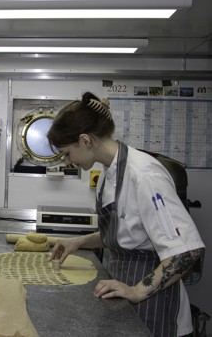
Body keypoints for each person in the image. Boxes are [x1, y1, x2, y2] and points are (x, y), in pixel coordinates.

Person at [48, 92, 205, 337]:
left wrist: (136, 292)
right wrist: (79, 241)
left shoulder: (144, 174)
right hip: (123, 293)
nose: (67, 161)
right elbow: (125, 231)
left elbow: (187, 252)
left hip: (154, 303)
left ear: (86, 141)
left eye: (67, 153)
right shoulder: (109, 174)